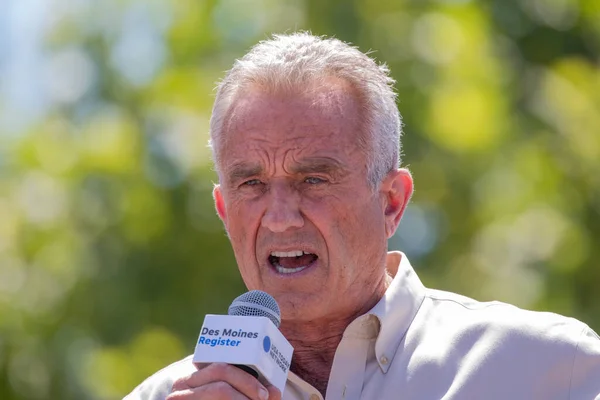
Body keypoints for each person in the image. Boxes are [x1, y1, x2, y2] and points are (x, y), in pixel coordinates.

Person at [124, 32, 600, 400]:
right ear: (224, 212)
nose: (280, 218)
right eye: (252, 185)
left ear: (391, 202)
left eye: (314, 180)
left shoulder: (549, 369)